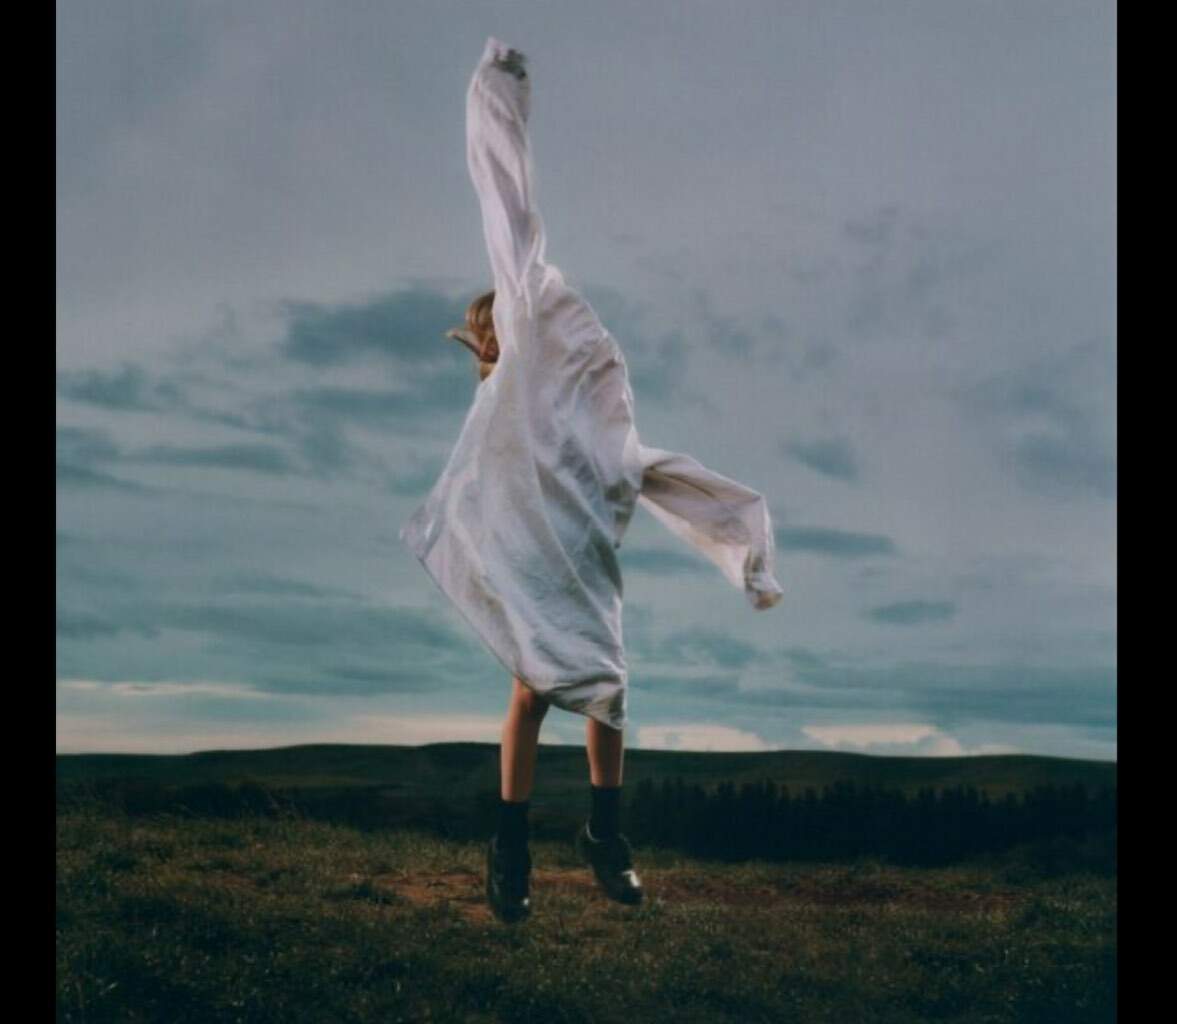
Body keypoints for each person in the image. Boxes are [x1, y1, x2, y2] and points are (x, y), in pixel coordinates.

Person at [400, 37, 784, 924]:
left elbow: (661, 473)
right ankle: (510, 848)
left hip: (582, 555)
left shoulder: (585, 406)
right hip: (529, 552)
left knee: (607, 690)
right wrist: (497, 90)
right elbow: (506, 202)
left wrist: (747, 546)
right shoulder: (516, 378)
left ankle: (602, 835)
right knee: (534, 689)